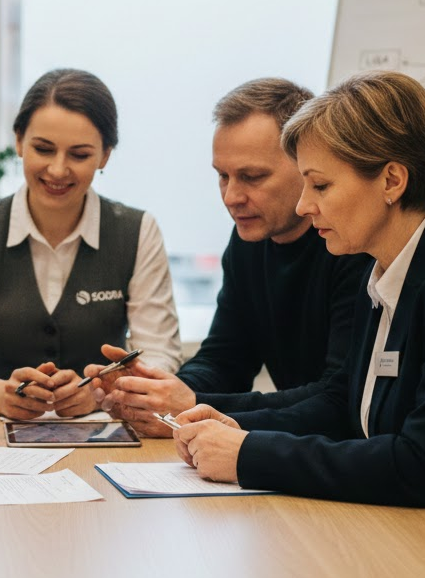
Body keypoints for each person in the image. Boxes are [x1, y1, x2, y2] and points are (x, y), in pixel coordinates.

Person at [172, 70, 425, 554]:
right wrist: (232, 426)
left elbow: (424, 464)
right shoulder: (384, 267)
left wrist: (251, 454)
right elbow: (343, 404)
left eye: (319, 186)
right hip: (413, 537)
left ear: (391, 181)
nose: (305, 205)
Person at [96, 78, 371, 436]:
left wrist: (192, 404)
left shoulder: (351, 245)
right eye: (222, 176)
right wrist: (156, 388)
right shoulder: (249, 240)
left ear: (306, 166)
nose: (231, 196)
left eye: (252, 177)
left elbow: (337, 397)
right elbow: (226, 359)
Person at [0, 68, 182, 419]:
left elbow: (160, 354)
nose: (58, 170)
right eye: (43, 149)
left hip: (104, 428)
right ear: (18, 141)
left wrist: (102, 390)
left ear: (105, 155)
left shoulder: (138, 231)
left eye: (79, 155)